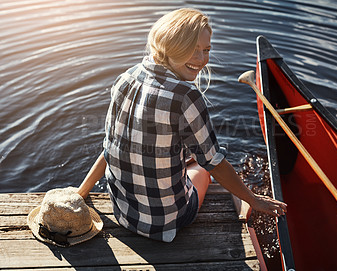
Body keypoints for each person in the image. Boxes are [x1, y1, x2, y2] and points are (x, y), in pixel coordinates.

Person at [78, 8, 287, 242]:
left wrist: (81, 193)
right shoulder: (186, 96)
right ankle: (242, 206)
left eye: (206, 50)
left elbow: (110, 148)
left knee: (187, 154)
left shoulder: (126, 78)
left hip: (124, 214)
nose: (201, 59)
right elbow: (214, 164)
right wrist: (254, 199)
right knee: (204, 169)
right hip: (166, 222)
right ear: (169, 45)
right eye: (190, 49)